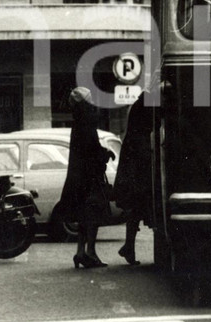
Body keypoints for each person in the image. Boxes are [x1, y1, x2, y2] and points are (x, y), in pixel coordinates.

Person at [58, 87, 115, 269]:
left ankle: (81, 251)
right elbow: (92, 148)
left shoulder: (77, 122)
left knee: (83, 215)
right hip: (90, 178)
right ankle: (89, 252)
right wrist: (105, 154)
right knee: (93, 215)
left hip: (78, 177)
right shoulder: (88, 122)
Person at [113, 91, 153, 265]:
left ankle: (129, 246)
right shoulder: (141, 135)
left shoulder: (135, 117)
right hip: (137, 179)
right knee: (136, 210)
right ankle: (129, 247)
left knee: (134, 212)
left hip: (132, 178)